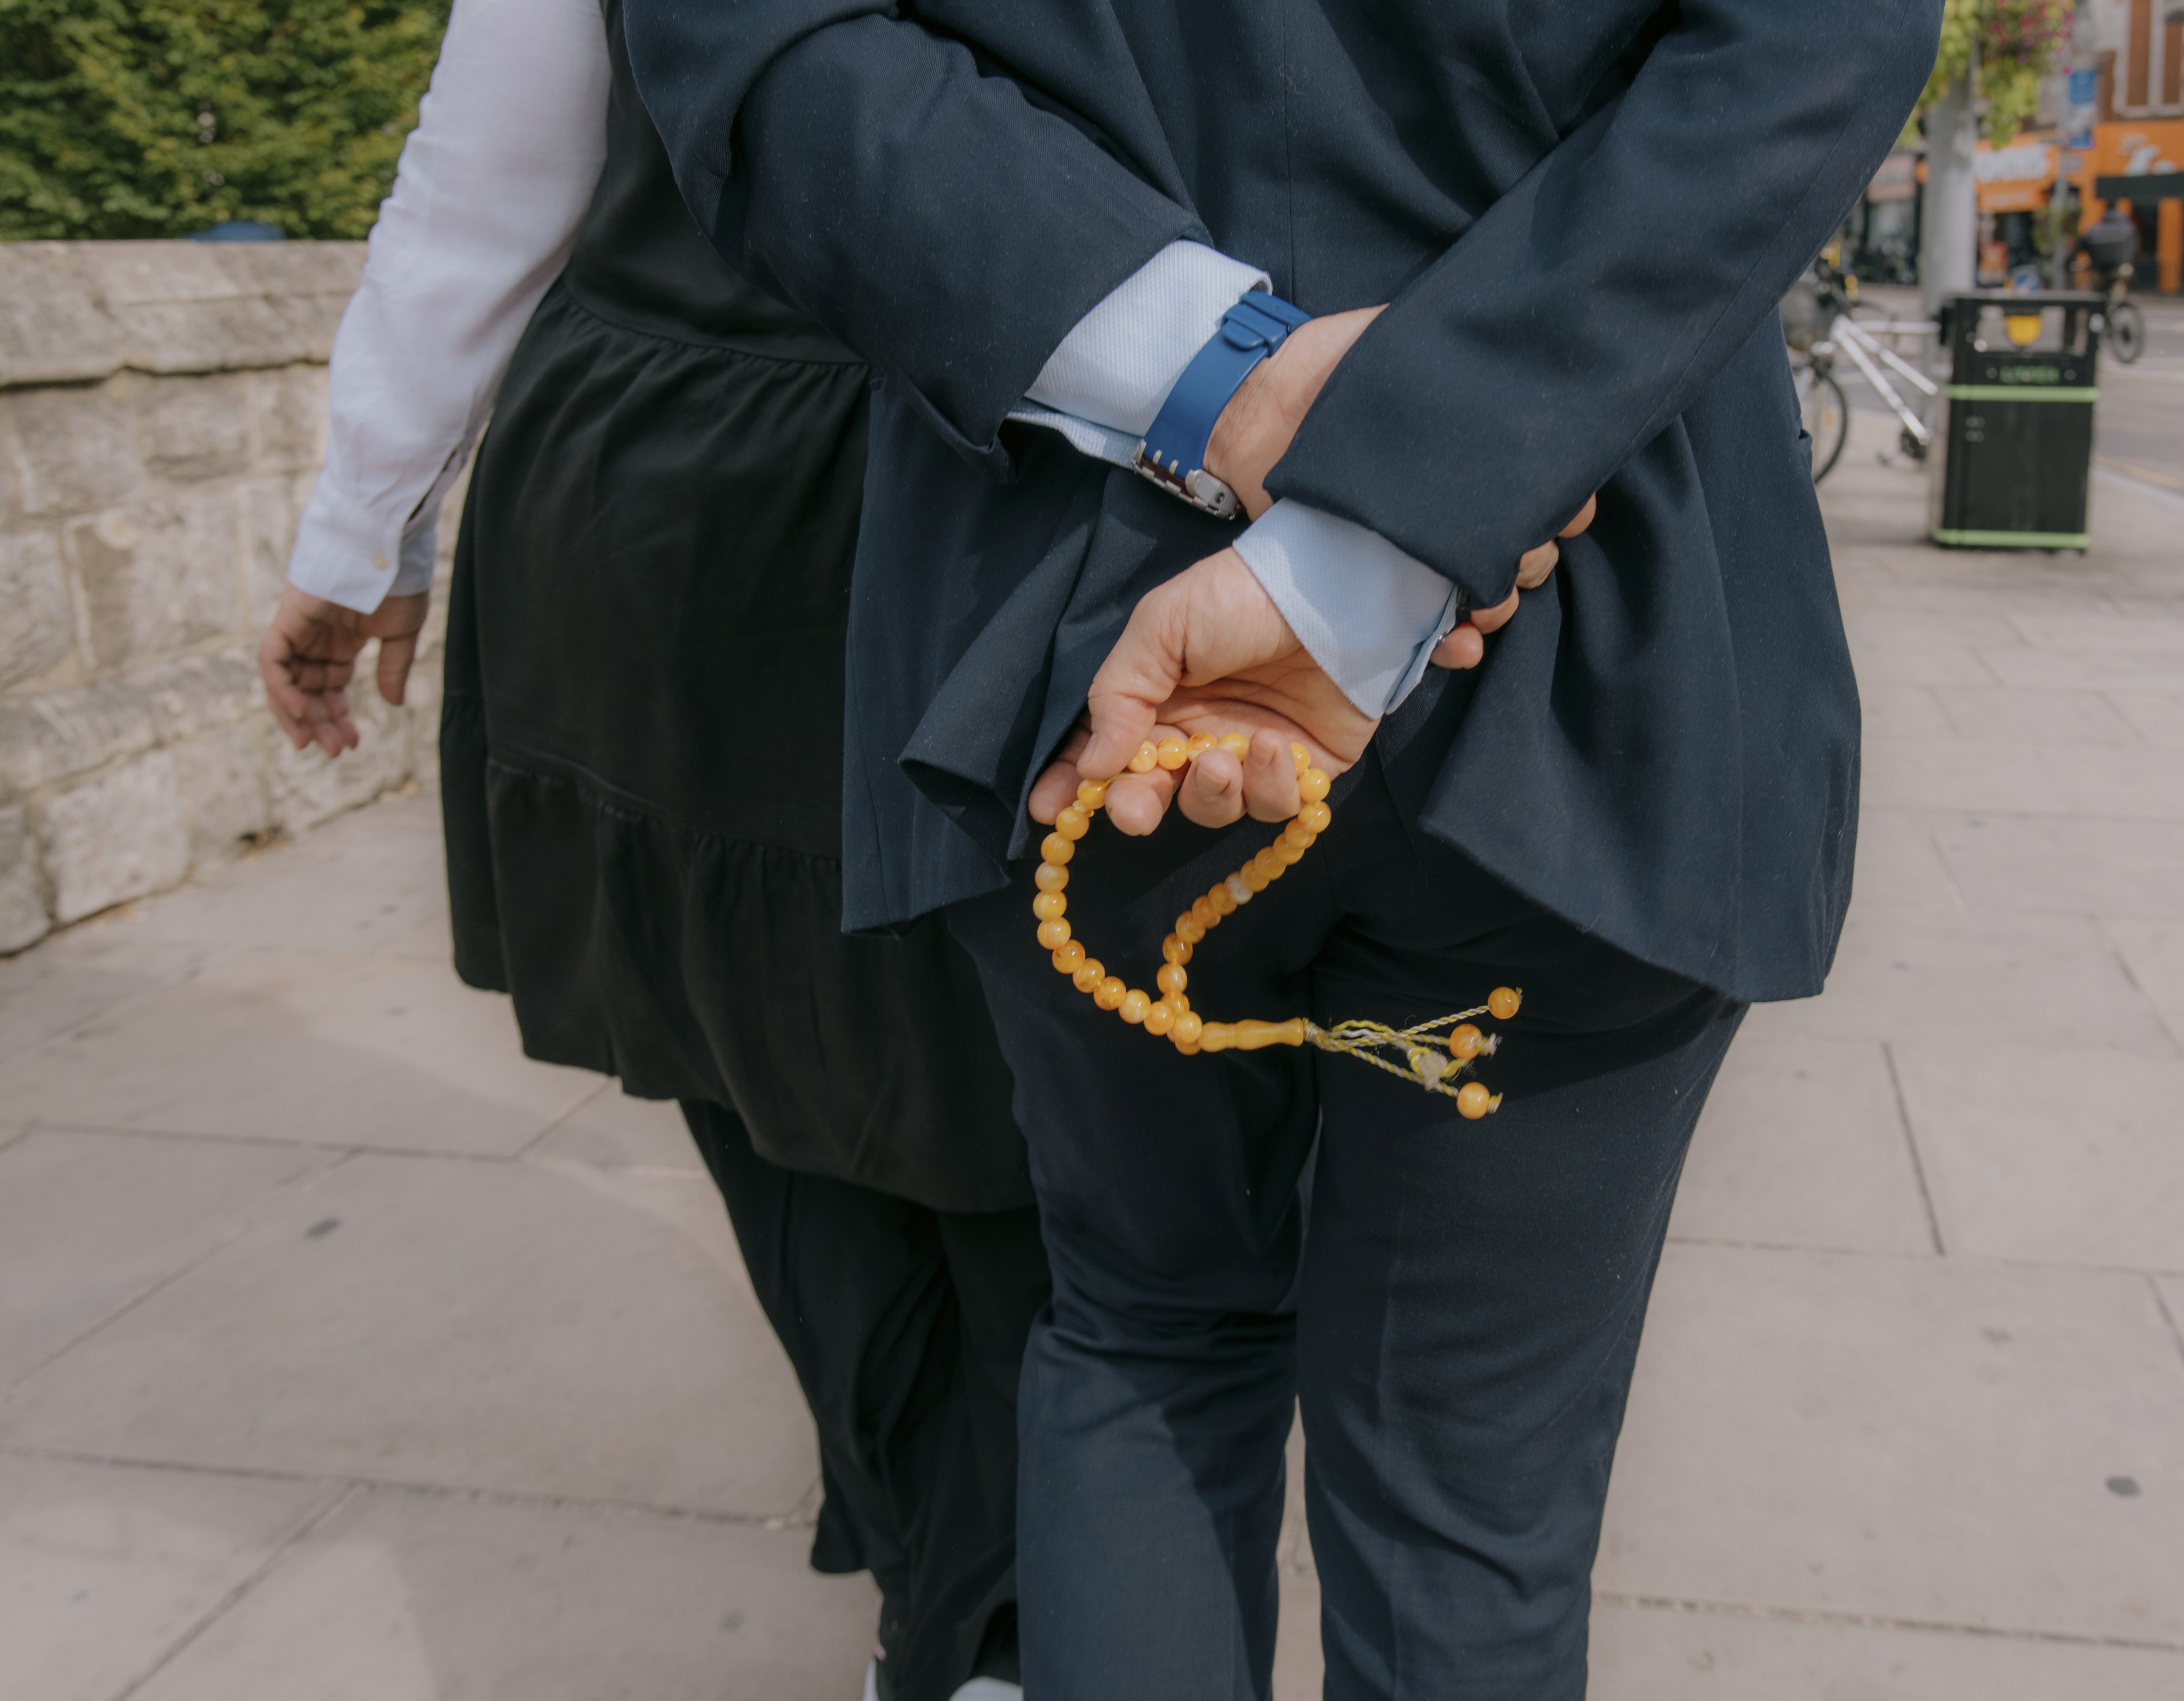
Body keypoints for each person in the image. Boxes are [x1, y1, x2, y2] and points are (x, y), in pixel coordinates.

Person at [621, 3, 1937, 1697]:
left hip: (1080, 630)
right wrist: (1414, 475)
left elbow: (760, 39)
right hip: (1591, 603)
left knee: (1145, 1336)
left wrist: (1229, 383)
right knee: (1470, 1483)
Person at [256, 2, 1045, 1694]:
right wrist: (364, 524)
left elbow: (486, 180)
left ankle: (957, 1590)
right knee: (968, 1097)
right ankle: (981, 1610)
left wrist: (364, 527)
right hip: (900, 479)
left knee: (820, 1083)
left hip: (693, 474)